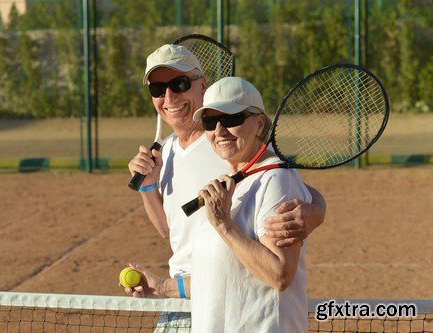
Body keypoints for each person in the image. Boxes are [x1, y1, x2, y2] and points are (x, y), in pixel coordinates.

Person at [126, 44, 325, 329]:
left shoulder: (232, 150)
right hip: (186, 297)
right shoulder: (169, 151)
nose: (168, 96)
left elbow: (283, 182)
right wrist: (148, 188)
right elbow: (173, 230)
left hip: (228, 303)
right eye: (158, 89)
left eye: (179, 84)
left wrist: (316, 210)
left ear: (201, 85)